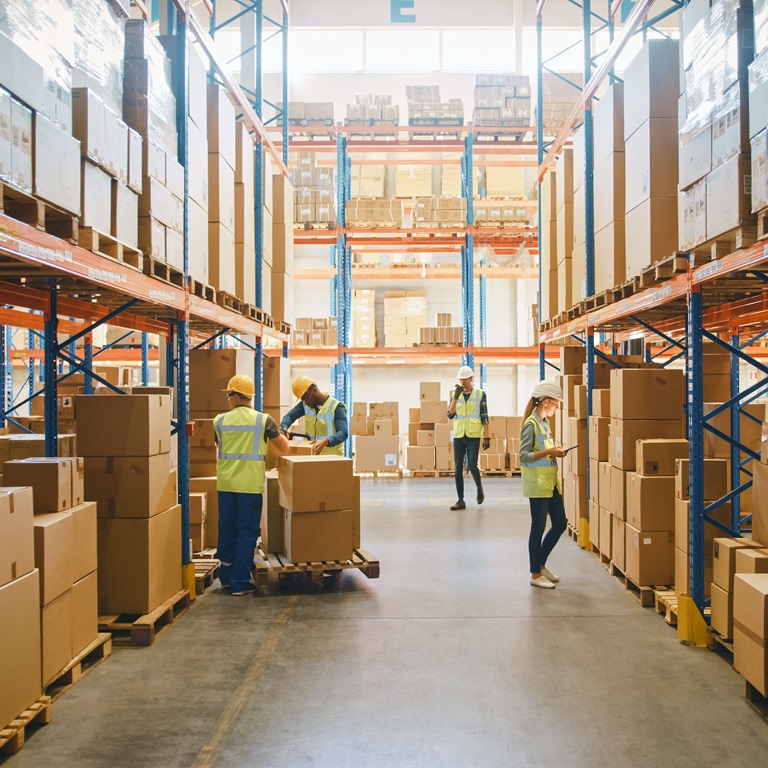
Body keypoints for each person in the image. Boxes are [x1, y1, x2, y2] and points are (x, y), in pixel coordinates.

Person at [214, 374, 289, 596]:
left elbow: (219, 444)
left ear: (236, 397)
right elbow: (283, 448)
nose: (228, 399)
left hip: (226, 485)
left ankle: (226, 577)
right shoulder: (264, 420)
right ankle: (239, 582)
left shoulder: (219, 421)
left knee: (226, 529)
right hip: (248, 487)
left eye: (229, 395)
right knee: (246, 533)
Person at [519, 381, 568, 589]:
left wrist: (556, 450)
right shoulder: (531, 424)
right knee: (537, 528)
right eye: (556, 404)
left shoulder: (544, 422)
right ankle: (535, 574)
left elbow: (544, 450)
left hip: (550, 483)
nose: (558, 407)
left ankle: (541, 563)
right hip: (537, 484)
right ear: (547, 401)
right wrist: (550, 452)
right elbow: (523, 456)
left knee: (560, 523)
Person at [447, 365, 490, 511]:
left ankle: (479, 488)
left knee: (472, 465)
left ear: (471, 379)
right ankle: (460, 500)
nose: (463, 382)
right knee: (458, 468)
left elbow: (485, 416)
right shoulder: (455, 394)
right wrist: (455, 398)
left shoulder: (480, 394)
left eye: (465, 379)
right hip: (459, 435)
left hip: (473, 435)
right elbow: (450, 414)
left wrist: (487, 437)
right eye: (461, 379)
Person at [280, 376, 349, 456]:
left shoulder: (336, 407)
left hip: (332, 457)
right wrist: (284, 428)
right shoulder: (305, 404)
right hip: (311, 456)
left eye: (306, 398)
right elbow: (289, 416)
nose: (306, 402)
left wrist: (326, 441)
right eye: (303, 399)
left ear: (314, 390)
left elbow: (343, 432)